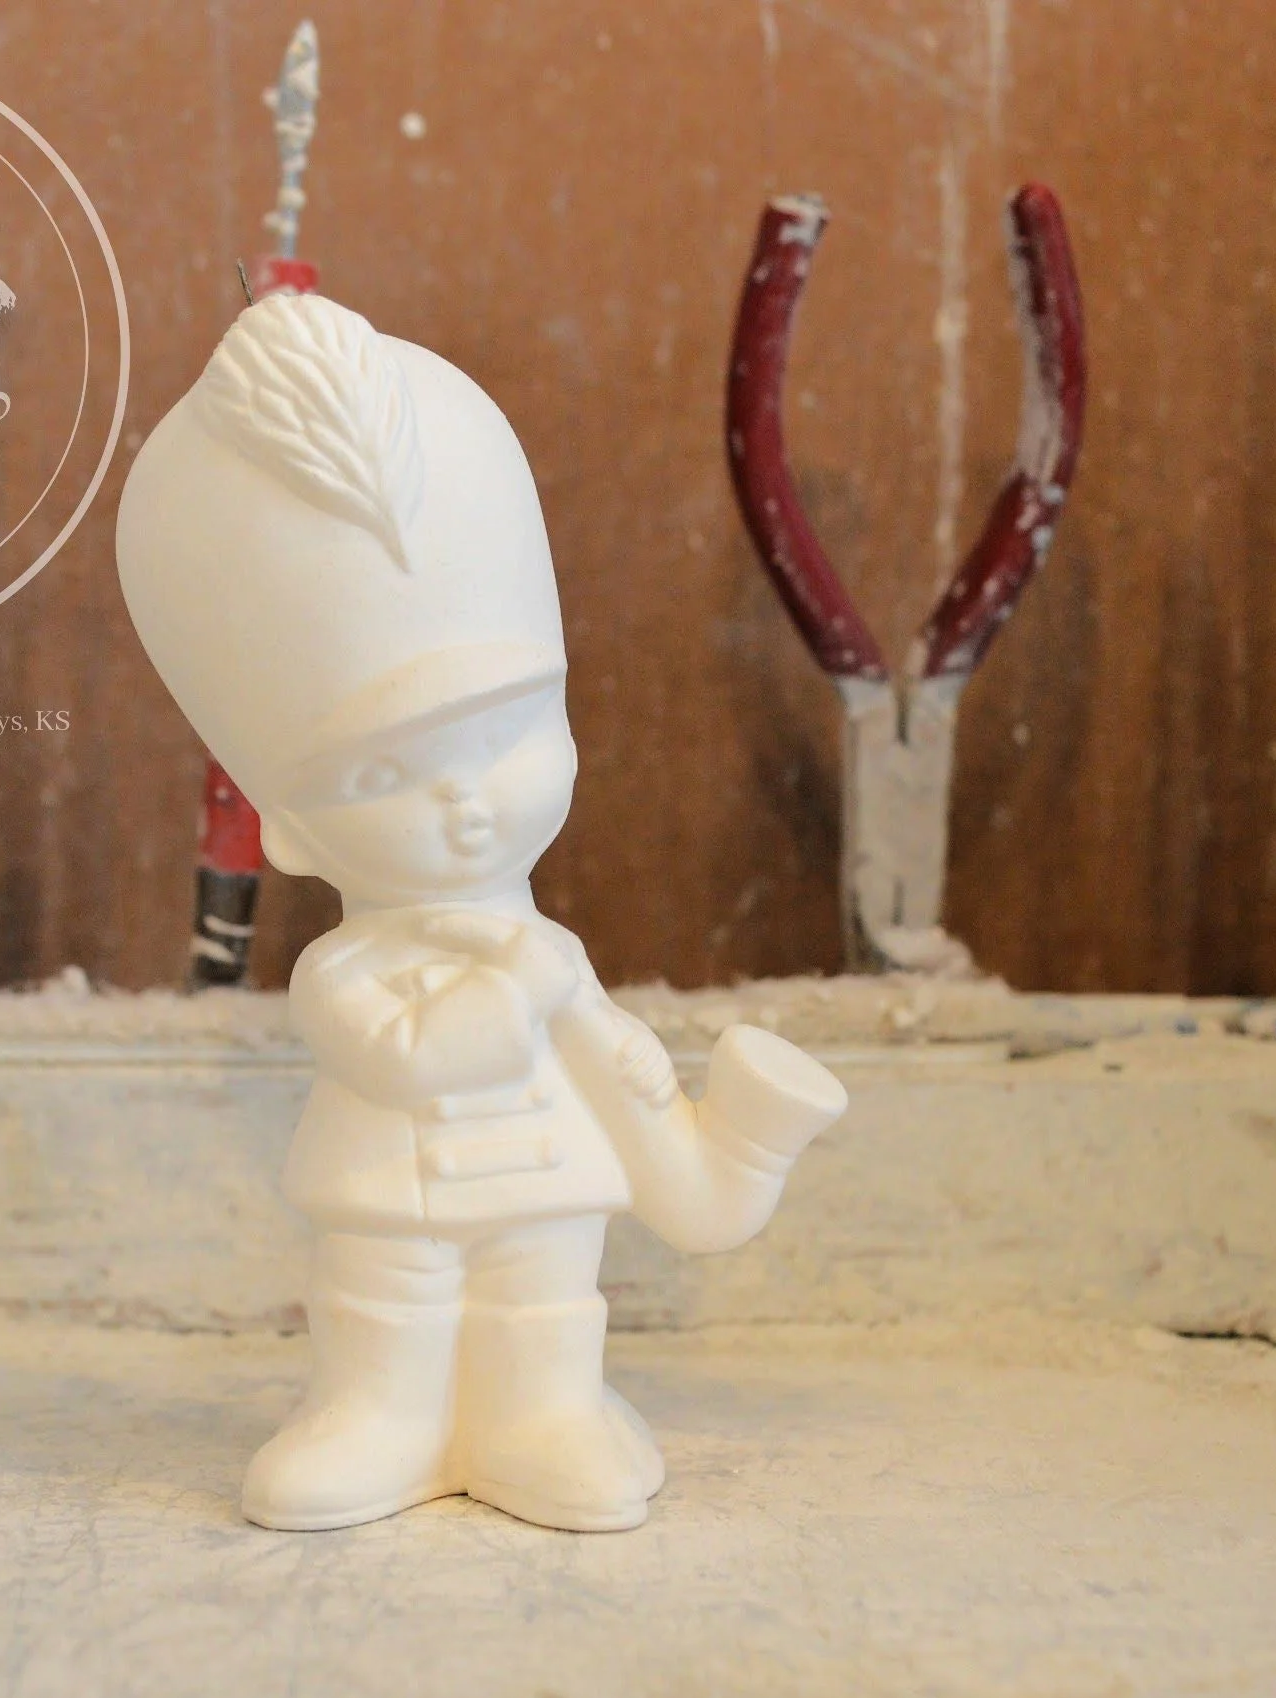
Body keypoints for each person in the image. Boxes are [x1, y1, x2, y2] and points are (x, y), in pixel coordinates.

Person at [118, 291, 844, 1532]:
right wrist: (519, 995)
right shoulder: (347, 974)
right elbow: (413, 1056)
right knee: (388, 1301)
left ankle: (544, 1416)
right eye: (382, 774)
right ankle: (379, 1416)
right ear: (288, 832)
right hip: (395, 1195)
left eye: (508, 731)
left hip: (543, 1180)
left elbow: (608, 1073)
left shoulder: (546, 954)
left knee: (542, 1297)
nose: (464, 799)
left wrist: (639, 1076)